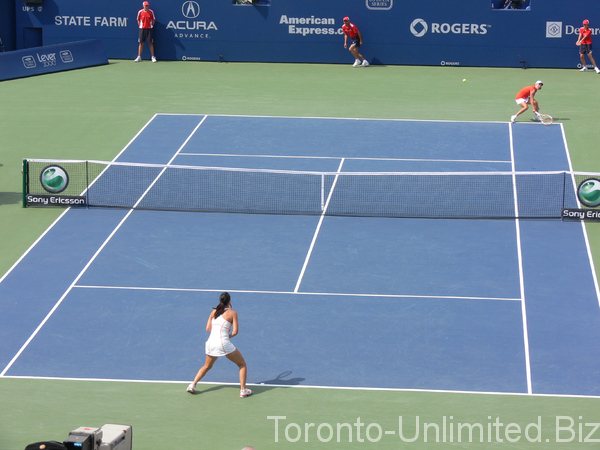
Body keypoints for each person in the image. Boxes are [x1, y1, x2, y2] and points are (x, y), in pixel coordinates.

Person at [187, 292, 251, 398]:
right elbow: (235, 332)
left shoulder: (214, 312)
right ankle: (243, 390)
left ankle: (192, 385)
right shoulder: (233, 313)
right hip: (223, 343)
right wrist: (227, 335)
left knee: (207, 366)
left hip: (211, 343)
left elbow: (208, 329)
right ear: (229, 301)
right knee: (242, 364)